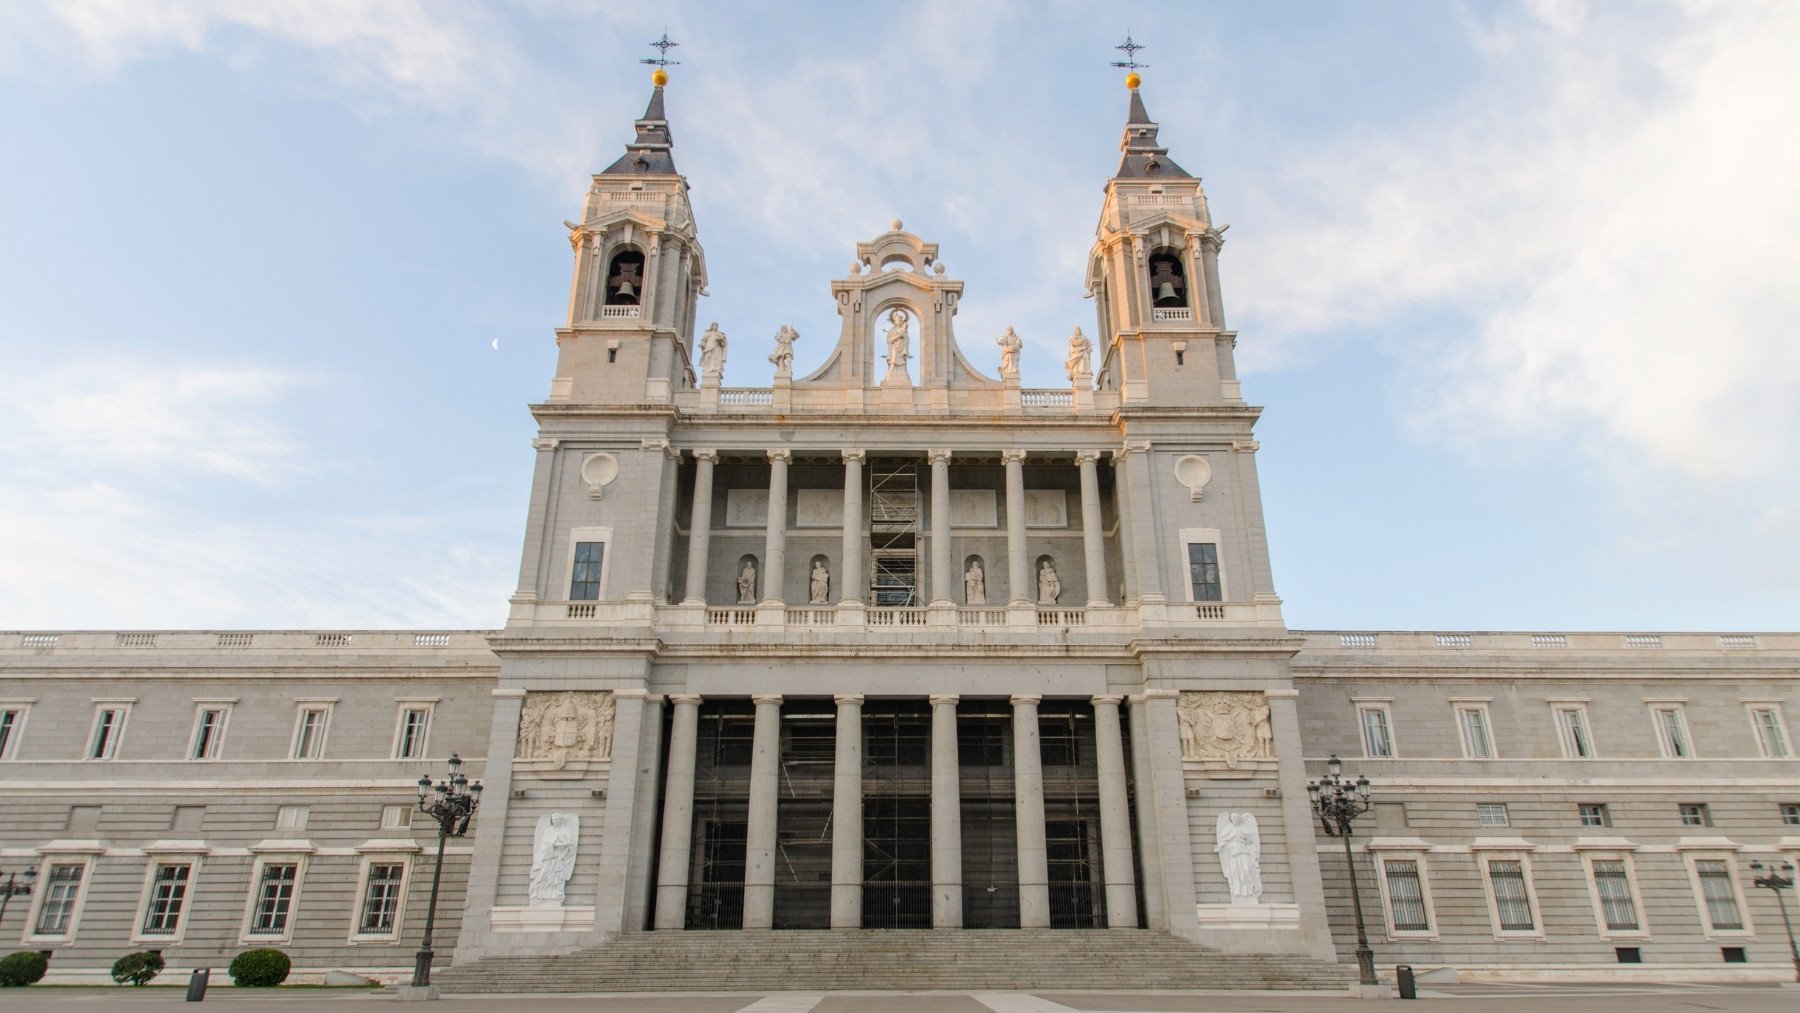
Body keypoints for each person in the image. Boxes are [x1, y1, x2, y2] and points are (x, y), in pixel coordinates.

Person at [529, 813, 578, 907]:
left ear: (560, 820)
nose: (554, 821)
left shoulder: (565, 830)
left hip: (559, 858)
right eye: (553, 819)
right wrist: (562, 844)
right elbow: (546, 844)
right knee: (543, 874)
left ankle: (555, 895)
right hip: (548, 857)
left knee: (557, 876)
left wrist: (567, 846)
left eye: (556, 819)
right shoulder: (549, 830)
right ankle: (536, 893)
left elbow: (570, 843)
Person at [1214, 812, 1263, 904]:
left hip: (1244, 851)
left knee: (1246, 870)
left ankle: (1250, 890)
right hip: (1233, 852)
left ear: (1239, 820)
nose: (1235, 821)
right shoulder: (1228, 828)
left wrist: (1248, 838)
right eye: (1233, 819)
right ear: (1231, 820)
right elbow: (1224, 839)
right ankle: (1238, 891)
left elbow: (1250, 842)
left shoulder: (1243, 828)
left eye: (1236, 819)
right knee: (1235, 872)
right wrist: (1220, 846)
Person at [884, 309, 910, 374]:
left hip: (902, 346)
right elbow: (888, 341)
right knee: (894, 356)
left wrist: (903, 334)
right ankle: (892, 369)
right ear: (895, 321)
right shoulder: (892, 330)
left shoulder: (904, 330)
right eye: (898, 321)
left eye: (900, 321)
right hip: (894, 346)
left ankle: (903, 371)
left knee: (902, 358)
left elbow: (907, 339)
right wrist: (898, 336)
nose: (899, 322)